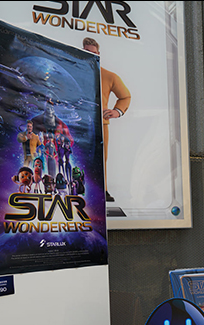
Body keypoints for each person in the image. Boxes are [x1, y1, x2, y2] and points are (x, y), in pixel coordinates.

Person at [82, 37, 131, 202]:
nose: (90, 55)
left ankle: (102, 190)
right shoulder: (72, 71)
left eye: (93, 52)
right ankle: (79, 187)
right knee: (77, 155)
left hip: (99, 124)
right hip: (77, 122)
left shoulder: (109, 76)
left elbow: (125, 96)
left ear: (98, 54)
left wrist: (117, 111)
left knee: (100, 157)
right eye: (86, 51)